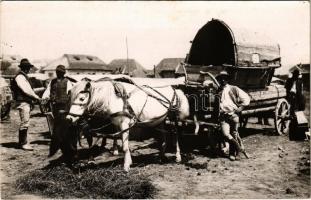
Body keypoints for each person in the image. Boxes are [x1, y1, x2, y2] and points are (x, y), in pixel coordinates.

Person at [214, 71, 250, 161]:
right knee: (226, 134)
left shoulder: (233, 89)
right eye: (221, 78)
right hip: (223, 116)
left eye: (225, 78)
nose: (223, 80)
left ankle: (232, 154)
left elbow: (246, 98)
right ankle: (238, 147)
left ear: (227, 79)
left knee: (234, 134)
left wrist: (240, 108)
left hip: (233, 115)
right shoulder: (218, 90)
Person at [11, 58, 41, 150]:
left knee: (25, 121)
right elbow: (27, 90)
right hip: (22, 102)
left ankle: (23, 142)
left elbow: (29, 90)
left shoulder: (23, 77)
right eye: (27, 67)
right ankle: (23, 143)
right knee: (25, 122)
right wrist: (37, 97)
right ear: (25, 68)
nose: (28, 69)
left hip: (24, 101)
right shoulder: (20, 77)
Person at [42, 65, 73, 133]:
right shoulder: (52, 81)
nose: (58, 73)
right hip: (54, 105)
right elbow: (48, 91)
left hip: (63, 105)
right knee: (56, 120)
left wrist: (68, 105)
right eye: (57, 72)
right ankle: (57, 136)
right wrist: (44, 99)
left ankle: (63, 135)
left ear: (63, 73)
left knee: (63, 121)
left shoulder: (67, 82)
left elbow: (70, 94)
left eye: (60, 72)